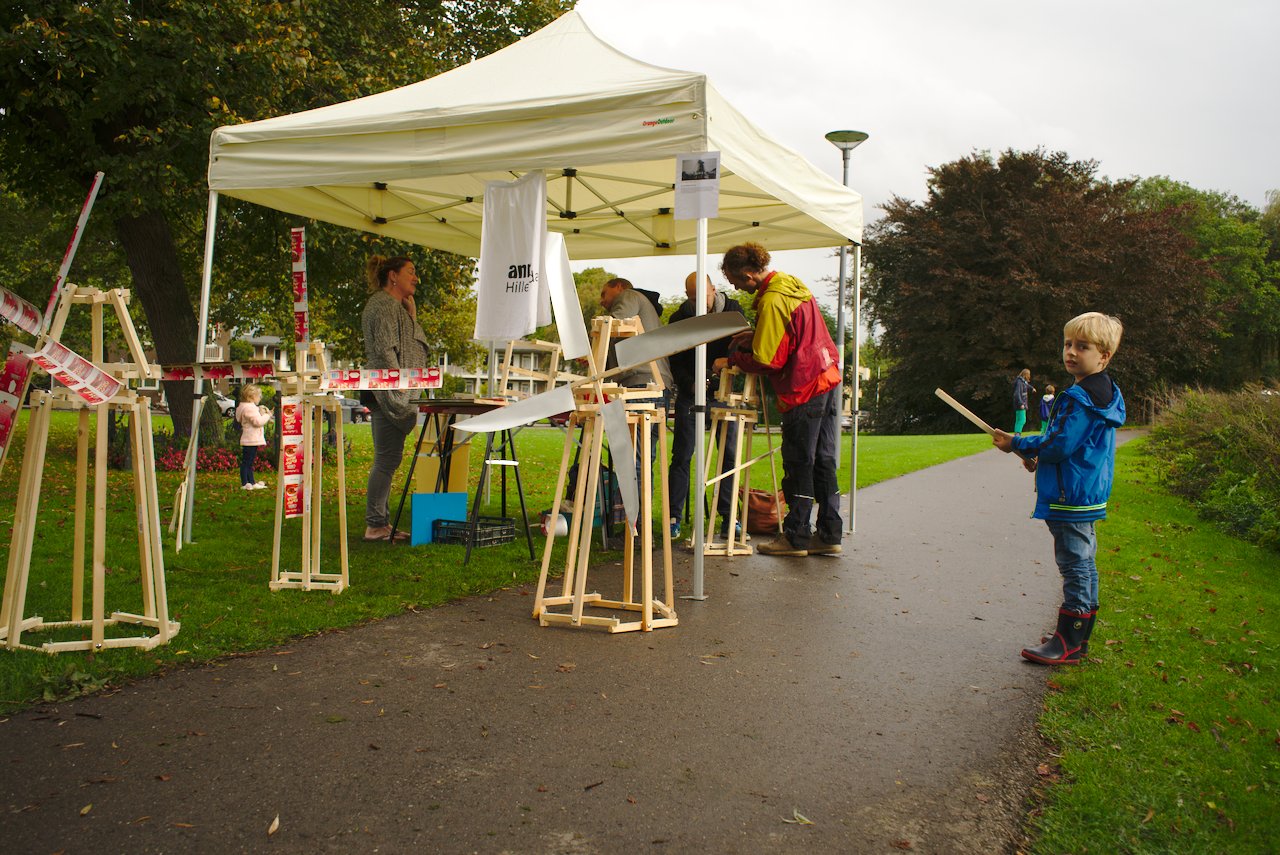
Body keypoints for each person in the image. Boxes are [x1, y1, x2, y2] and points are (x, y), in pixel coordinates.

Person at [993, 312, 1126, 665]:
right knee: (1084, 563)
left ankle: (1068, 641)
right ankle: (1077, 638)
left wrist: (1018, 443)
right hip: (1085, 492)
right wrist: (1037, 455)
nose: (1071, 352)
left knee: (1075, 564)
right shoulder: (1104, 393)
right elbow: (1069, 446)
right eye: (1068, 344)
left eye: (1082, 346)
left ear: (1104, 356)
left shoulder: (1080, 398)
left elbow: (1058, 444)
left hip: (1071, 496)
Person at [712, 242, 842, 557]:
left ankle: (796, 537)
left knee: (799, 461)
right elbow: (791, 334)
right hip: (828, 376)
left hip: (804, 387)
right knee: (823, 460)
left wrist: (732, 362)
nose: (733, 286)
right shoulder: (791, 285)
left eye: (733, 279)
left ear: (747, 274)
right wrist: (756, 334)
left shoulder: (771, 300)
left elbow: (769, 360)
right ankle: (829, 534)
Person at [666, 272, 743, 539]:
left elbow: (744, 345)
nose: (699, 302)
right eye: (692, 297)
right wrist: (691, 384)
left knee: (729, 455)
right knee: (682, 455)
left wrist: (726, 362)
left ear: (714, 289)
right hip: (691, 393)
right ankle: (673, 517)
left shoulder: (733, 311)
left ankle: (728, 516)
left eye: (704, 296)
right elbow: (674, 361)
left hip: (724, 391)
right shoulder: (678, 319)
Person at [362, 255, 431, 543]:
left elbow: (410, 342)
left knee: (389, 459)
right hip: (389, 393)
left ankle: (381, 523)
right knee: (386, 459)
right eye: (410, 272)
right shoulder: (381, 306)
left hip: (395, 392)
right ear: (393, 275)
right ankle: (375, 525)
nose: (416, 278)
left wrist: (412, 315)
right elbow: (383, 349)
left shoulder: (394, 306)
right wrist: (399, 386)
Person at [235, 384, 272, 491]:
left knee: (249, 461)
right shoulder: (249, 408)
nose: (260, 398)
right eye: (258, 396)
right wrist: (267, 415)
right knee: (247, 462)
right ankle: (245, 482)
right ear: (251, 397)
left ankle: (251, 481)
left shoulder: (247, 407)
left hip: (250, 438)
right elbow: (258, 422)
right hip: (250, 439)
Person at [1012, 368, 1035, 435]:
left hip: (1019, 403)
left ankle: (1016, 434)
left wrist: (1032, 388)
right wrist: (1021, 403)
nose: (1029, 376)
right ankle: (1017, 433)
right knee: (1022, 420)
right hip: (1020, 404)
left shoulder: (1022, 381)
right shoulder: (1020, 382)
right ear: (1026, 375)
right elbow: (1017, 394)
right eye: (1029, 374)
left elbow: (1027, 385)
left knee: (1018, 419)